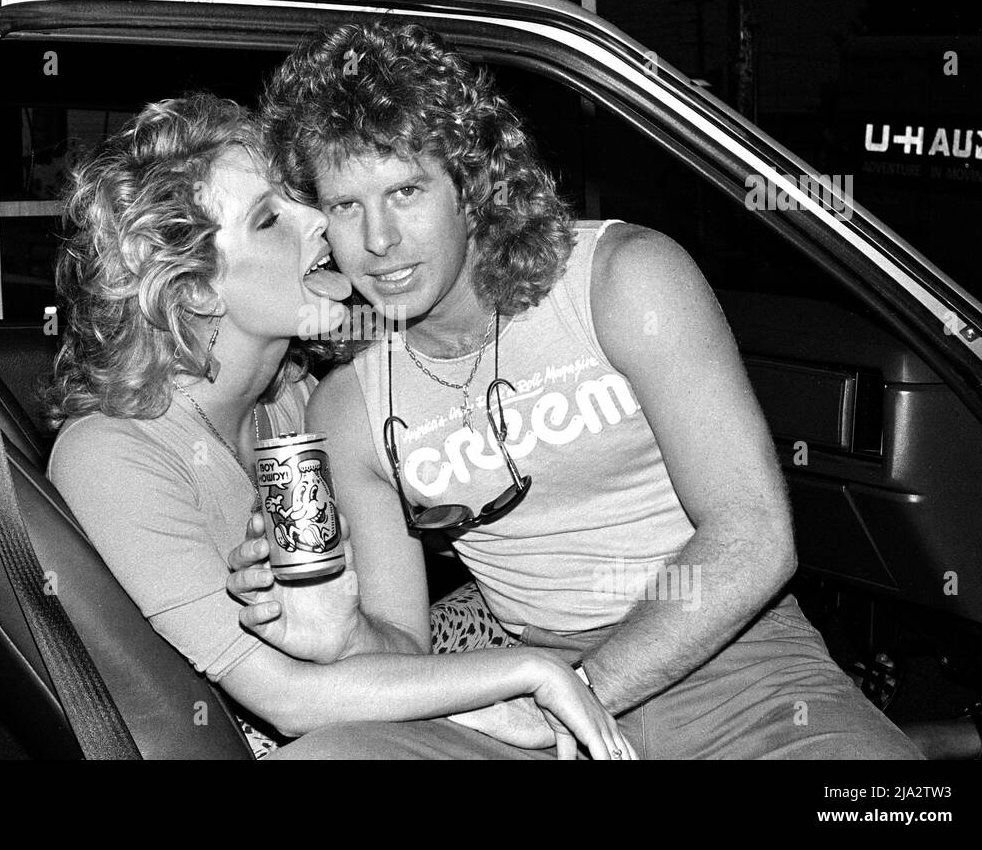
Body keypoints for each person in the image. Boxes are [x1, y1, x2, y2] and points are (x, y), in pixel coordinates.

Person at [236, 20, 926, 759]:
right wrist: (342, 633)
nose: (379, 239)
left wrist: (581, 695)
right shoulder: (351, 407)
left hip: (735, 662)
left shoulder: (622, 280)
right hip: (525, 677)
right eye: (346, 206)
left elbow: (755, 535)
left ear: (471, 184)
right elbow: (402, 644)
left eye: (406, 190)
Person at [43, 91, 636, 760]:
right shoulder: (111, 455)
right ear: (196, 289)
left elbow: (392, 640)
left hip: (355, 709)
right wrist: (525, 677)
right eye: (270, 220)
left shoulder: (298, 401)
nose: (319, 219)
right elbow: (288, 701)